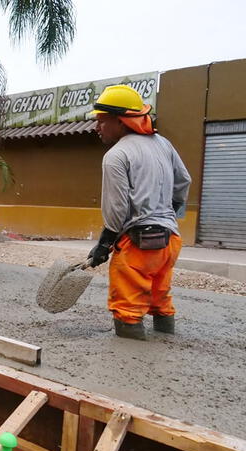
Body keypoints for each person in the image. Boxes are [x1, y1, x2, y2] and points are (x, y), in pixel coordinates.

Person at [88, 84, 191, 340]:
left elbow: (117, 208)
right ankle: (166, 346)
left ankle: (131, 365)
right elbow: (183, 182)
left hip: (138, 245)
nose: (96, 127)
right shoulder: (163, 144)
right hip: (170, 241)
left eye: (102, 121)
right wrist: (167, 215)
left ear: (121, 122)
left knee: (128, 308)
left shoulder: (116, 155)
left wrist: (104, 244)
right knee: (160, 299)